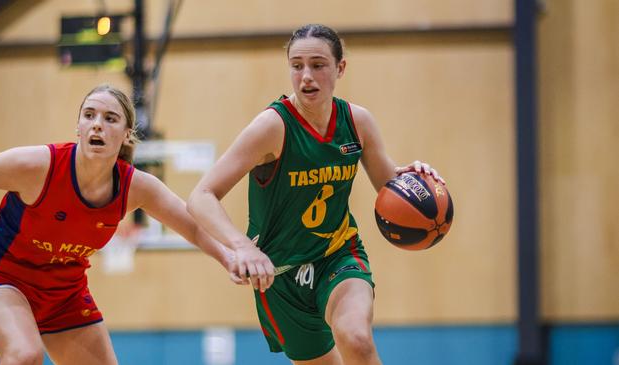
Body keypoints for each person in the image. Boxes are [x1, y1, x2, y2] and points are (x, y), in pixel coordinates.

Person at [187, 24, 444, 365]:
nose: (306, 76)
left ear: (340, 68)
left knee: (356, 338)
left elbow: (389, 186)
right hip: (279, 278)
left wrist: (415, 181)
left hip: (337, 255)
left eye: (318, 65)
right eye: (297, 66)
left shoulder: (357, 122)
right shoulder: (272, 127)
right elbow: (201, 195)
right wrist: (242, 246)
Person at [0, 84, 240, 365]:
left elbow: (193, 226)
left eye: (110, 118)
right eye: (89, 115)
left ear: (126, 135)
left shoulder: (136, 186)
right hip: (0, 277)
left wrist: (229, 256)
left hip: (64, 293)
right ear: (78, 126)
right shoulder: (37, 166)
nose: (97, 125)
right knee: (24, 355)